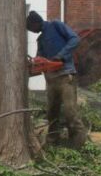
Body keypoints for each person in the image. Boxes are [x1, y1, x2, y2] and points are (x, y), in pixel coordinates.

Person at [26, 11, 87, 149]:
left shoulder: (56, 25)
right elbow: (40, 58)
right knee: (52, 112)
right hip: (51, 80)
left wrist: (61, 56)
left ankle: (78, 146)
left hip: (66, 76)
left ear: (36, 23)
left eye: (31, 28)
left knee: (70, 113)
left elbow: (74, 39)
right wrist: (34, 63)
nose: (32, 31)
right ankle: (53, 143)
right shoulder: (40, 39)